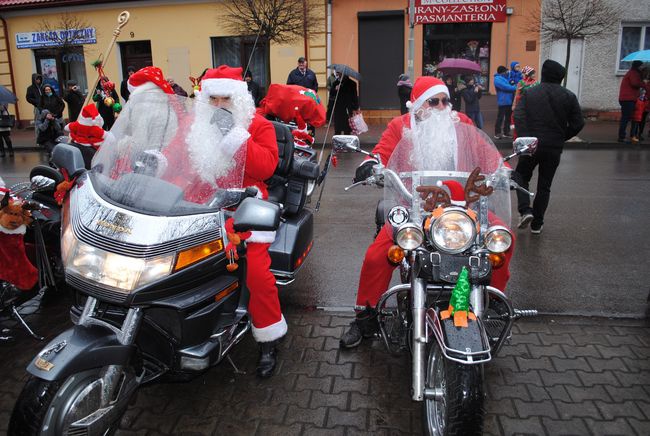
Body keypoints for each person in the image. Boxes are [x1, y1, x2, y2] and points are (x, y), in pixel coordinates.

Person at [339, 77, 514, 348]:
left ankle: (490, 301)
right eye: (434, 101)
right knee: (377, 255)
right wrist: (370, 164)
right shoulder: (401, 127)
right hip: (414, 207)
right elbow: (381, 152)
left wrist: (504, 171)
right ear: (419, 105)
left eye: (445, 101)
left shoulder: (463, 125)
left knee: (500, 239)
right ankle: (366, 315)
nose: (442, 107)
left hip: (462, 207)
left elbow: (487, 155)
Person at [194, 66, 283, 377]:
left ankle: (269, 338)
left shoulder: (259, 126)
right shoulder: (196, 126)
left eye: (226, 98)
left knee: (257, 274)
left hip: (246, 207)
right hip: (201, 207)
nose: (219, 105)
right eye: (213, 99)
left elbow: (266, 167)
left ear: (240, 98)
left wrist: (232, 134)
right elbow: (179, 160)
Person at [512, 59, 584, 235]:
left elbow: (519, 116)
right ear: (560, 77)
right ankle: (537, 223)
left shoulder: (530, 93)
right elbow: (578, 123)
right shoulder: (569, 96)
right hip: (553, 146)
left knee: (520, 176)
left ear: (543, 75)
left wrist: (526, 137)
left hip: (531, 145)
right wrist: (562, 136)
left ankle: (525, 210)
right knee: (545, 185)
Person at [618, 61, 644, 143]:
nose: (642, 67)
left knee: (631, 117)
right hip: (627, 99)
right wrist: (643, 83)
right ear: (638, 66)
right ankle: (621, 137)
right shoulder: (633, 73)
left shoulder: (633, 73)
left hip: (628, 99)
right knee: (625, 118)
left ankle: (632, 135)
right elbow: (635, 83)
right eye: (641, 66)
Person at [493, 65, 517, 139]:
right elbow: (506, 87)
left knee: (508, 118)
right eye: (506, 71)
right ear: (502, 72)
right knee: (500, 117)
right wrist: (516, 87)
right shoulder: (497, 79)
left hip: (509, 101)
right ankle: (497, 133)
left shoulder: (505, 78)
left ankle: (506, 132)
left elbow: (510, 84)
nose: (507, 72)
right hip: (503, 101)